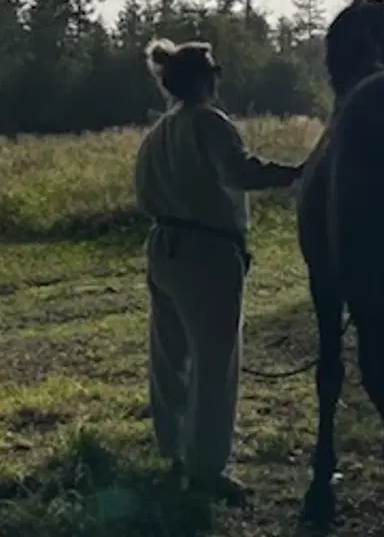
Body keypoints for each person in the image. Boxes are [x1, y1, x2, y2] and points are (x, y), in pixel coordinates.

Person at [134, 37, 304, 505]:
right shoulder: (210, 122)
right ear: (204, 79)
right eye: (215, 73)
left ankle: (173, 453)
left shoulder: (157, 133)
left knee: (170, 359)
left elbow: (142, 192)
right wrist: (296, 173)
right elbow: (238, 174)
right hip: (207, 254)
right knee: (215, 364)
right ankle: (208, 468)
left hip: (162, 247)